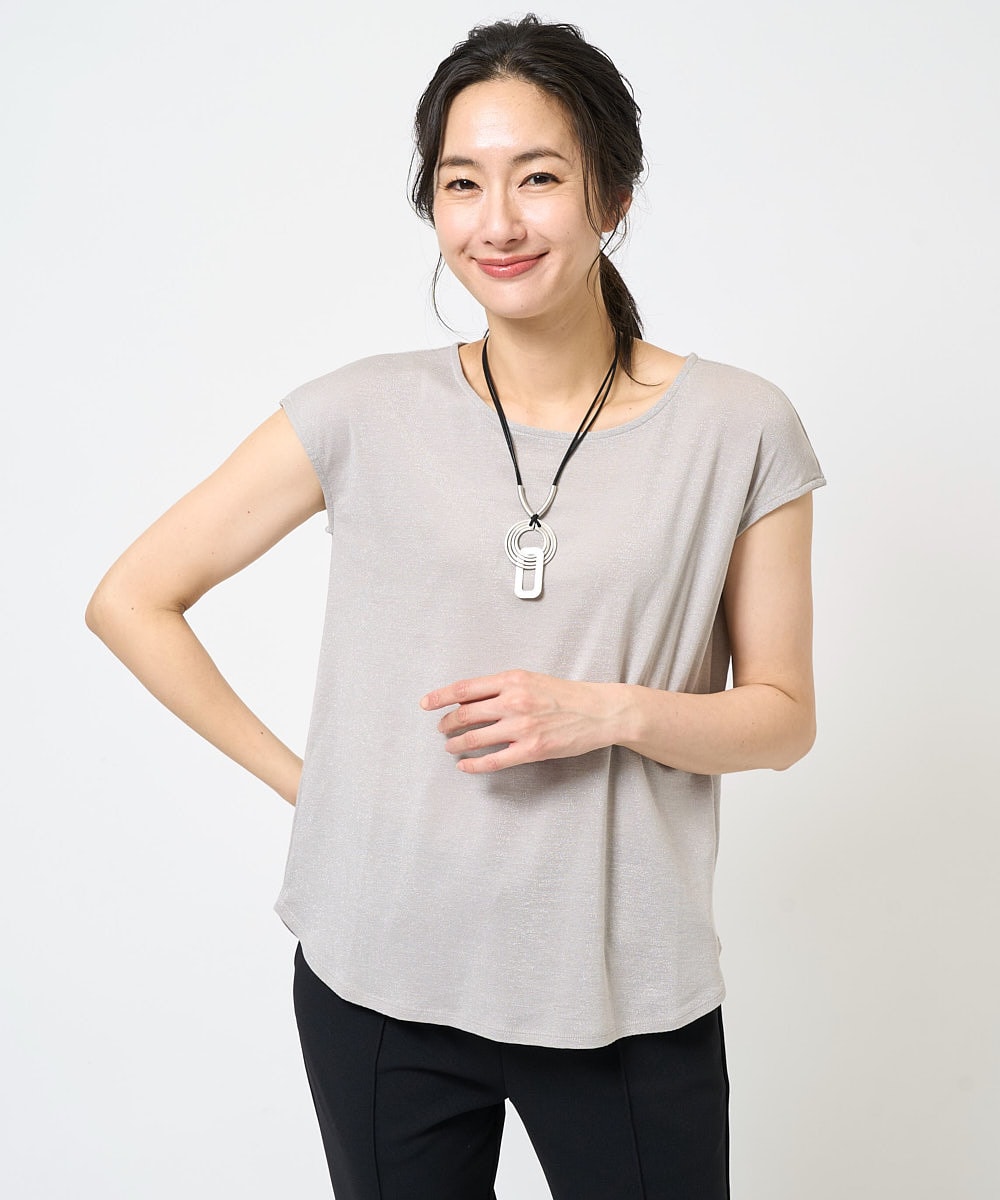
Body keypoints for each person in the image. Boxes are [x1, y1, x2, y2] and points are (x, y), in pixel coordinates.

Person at [86, 14, 824, 1199]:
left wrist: (604, 712)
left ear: (613, 195)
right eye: (461, 183)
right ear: (430, 204)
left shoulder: (739, 428)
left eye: (539, 177)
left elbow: (783, 718)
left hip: (622, 990)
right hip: (377, 976)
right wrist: (315, 787)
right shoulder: (358, 411)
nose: (498, 222)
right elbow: (132, 598)